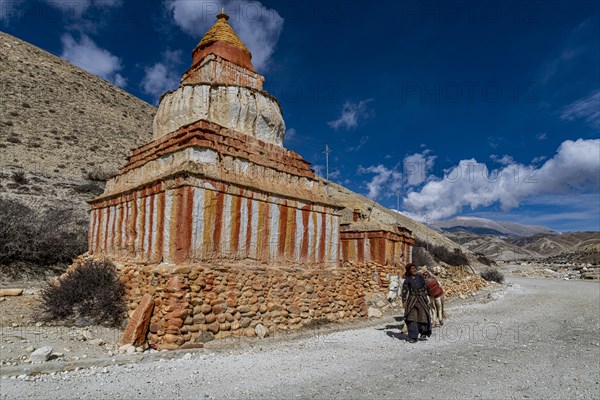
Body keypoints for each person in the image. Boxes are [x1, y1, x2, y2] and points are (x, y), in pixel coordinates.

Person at [401, 263, 432, 343]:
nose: (414, 270)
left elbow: (425, 287)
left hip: (422, 299)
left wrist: (426, 297)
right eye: (412, 269)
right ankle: (413, 337)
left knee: (423, 317)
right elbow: (404, 291)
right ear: (409, 271)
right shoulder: (407, 280)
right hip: (412, 300)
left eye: (415, 268)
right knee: (411, 318)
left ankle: (423, 333)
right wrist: (404, 301)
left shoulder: (420, 277)